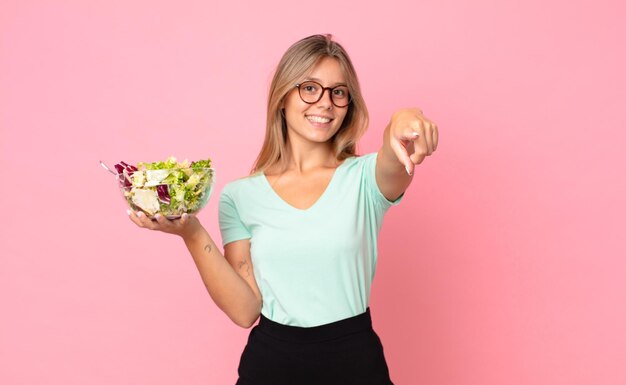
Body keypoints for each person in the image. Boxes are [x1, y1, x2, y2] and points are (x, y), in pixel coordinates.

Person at [128, 34, 438, 385]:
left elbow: (395, 156)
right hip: (271, 366)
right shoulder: (240, 197)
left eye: (338, 92)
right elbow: (246, 311)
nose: (325, 103)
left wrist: (403, 118)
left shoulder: (365, 178)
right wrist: (191, 232)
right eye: (309, 88)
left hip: (355, 363)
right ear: (283, 97)